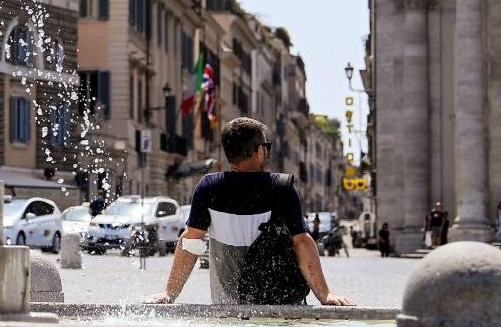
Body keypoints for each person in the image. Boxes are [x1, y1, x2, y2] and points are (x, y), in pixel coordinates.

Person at [143, 117, 354, 306]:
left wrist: (169, 293)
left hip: (228, 303)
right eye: (267, 146)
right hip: (282, 303)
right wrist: (325, 295)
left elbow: (190, 241)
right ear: (260, 150)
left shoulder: (209, 187)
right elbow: (302, 242)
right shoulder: (281, 187)